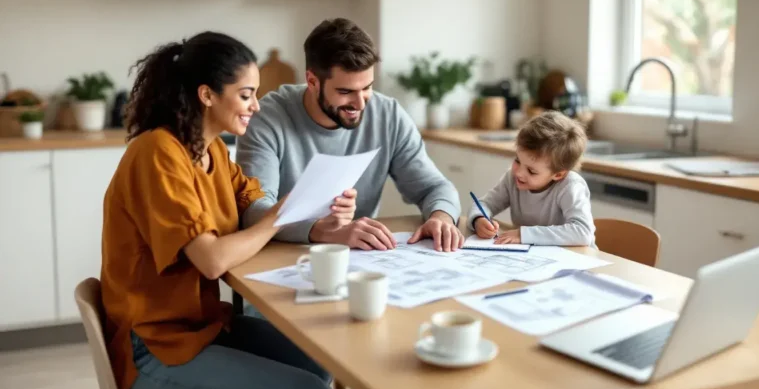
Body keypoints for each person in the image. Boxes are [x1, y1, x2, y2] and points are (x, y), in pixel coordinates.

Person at [100, 31, 354, 389]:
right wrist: (284, 214)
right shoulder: (158, 153)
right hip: (155, 347)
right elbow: (212, 259)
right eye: (246, 94)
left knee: (319, 360)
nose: (256, 105)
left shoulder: (213, 150)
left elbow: (255, 206)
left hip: (204, 326)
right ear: (207, 95)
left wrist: (317, 214)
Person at [236, 18, 464, 254]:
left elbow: (435, 187)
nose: (359, 103)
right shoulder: (267, 118)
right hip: (279, 256)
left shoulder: (388, 115)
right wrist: (324, 231)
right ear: (312, 82)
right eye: (345, 92)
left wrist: (441, 218)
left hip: (359, 256)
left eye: (367, 88)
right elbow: (253, 212)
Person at [468, 111, 596, 247]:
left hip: (577, 260)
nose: (519, 173)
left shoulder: (570, 186)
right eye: (517, 160)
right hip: (534, 258)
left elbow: (583, 232)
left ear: (558, 174)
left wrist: (523, 235)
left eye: (531, 171)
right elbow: (484, 204)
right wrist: (479, 219)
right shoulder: (512, 178)